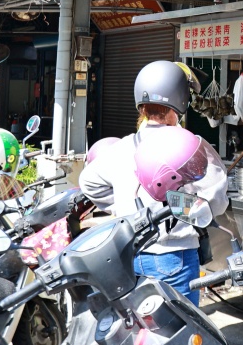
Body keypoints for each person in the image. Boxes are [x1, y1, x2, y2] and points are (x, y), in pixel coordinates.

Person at [80, 61, 228, 305]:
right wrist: (183, 207)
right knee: (179, 335)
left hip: (130, 256)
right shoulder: (192, 147)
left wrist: (124, 208)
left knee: (140, 331)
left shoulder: (123, 146)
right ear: (180, 101)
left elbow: (88, 183)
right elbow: (217, 202)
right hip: (175, 258)